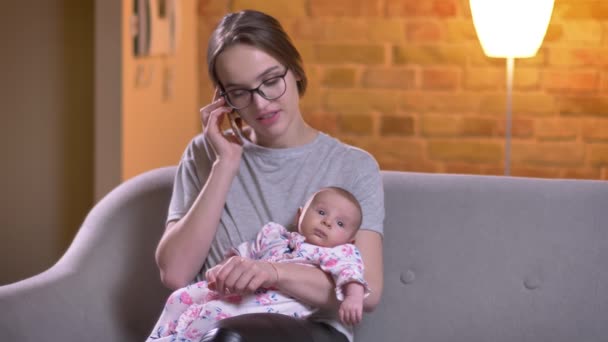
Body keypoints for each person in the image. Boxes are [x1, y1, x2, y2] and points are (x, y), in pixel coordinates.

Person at [154, 9, 385, 342]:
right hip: (210, 326)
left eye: (271, 81)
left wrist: (271, 272)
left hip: (308, 331)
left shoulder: (354, 165)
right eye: (240, 92)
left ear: (295, 71)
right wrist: (226, 164)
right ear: (223, 100)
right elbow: (175, 274)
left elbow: (368, 291)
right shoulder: (206, 154)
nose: (261, 104)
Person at [148, 187, 369, 341]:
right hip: (240, 290)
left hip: (276, 305)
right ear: (300, 215)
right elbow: (242, 255)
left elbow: (351, 273)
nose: (327, 222)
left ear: (350, 239)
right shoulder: (274, 235)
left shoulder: (338, 253)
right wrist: (224, 268)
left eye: (340, 223)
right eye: (321, 212)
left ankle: (182, 339)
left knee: (213, 312)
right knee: (179, 298)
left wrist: (353, 297)